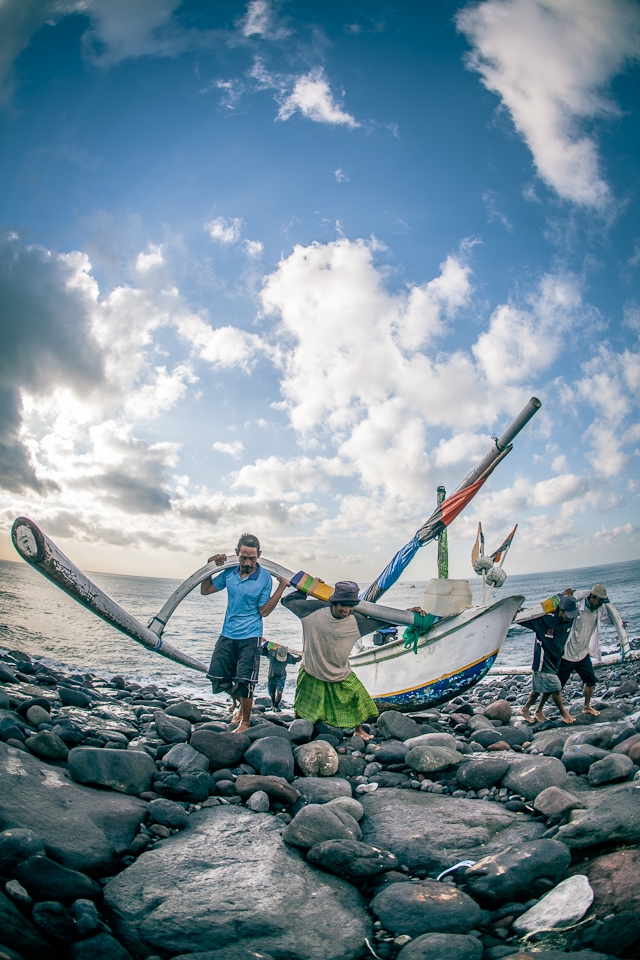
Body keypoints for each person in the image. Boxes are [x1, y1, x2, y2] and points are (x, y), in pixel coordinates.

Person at [282, 579, 424, 740]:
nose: (347, 610)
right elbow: (287, 601)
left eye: (351, 606)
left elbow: (384, 622)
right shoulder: (312, 610)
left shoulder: (357, 621)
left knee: (358, 698)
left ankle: (359, 730)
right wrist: (305, 590)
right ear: (333, 602)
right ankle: (297, 728)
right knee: (302, 704)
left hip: (340, 671)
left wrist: (408, 614)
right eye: (343, 605)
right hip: (311, 668)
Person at [201, 533, 288, 733]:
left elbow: (264, 611)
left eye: (252, 558)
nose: (247, 562)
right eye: (243, 557)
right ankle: (240, 704)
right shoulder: (229, 572)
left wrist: (281, 587)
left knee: (245, 680)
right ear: (236, 554)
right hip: (228, 632)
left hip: (251, 634)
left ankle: (245, 722)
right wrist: (209, 567)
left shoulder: (264, 577)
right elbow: (205, 590)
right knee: (217, 677)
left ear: (259, 555)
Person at [519, 594, 579, 725]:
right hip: (543, 659)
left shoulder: (570, 619)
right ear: (561, 611)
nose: (570, 618)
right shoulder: (545, 619)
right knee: (555, 686)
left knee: (540, 689)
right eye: (568, 614)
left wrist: (565, 594)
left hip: (556, 657)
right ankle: (563, 712)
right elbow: (524, 618)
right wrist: (514, 612)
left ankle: (530, 710)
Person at [557, 584, 609, 717]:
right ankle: (560, 711)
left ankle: (586, 706)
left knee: (590, 680)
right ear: (592, 597)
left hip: (583, 653)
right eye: (599, 601)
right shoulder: (578, 606)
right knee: (557, 686)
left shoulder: (598, 609)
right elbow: (562, 609)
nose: (600, 604)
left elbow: (606, 618)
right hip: (568, 654)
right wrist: (565, 595)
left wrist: (619, 623)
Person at [261, 642, 301, 711]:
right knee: (272, 693)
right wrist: (263, 644)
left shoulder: (288, 656)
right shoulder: (271, 654)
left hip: (281, 676)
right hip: (271, 675)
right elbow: (262, 652)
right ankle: (273, 704)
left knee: (279, 692)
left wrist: (301, 657)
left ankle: (276, 706)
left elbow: (296, 660)